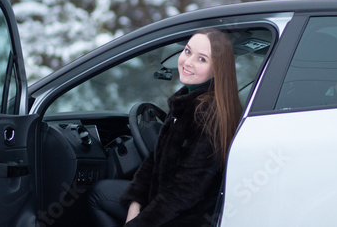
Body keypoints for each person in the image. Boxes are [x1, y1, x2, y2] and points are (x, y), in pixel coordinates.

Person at [88, 28, 242, 226]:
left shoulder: (208, 116)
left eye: (202, 59)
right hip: (165, 200)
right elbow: (154, 158)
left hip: (184, 217)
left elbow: (184, 193)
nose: (188, 62)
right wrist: (135, 201)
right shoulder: (187, 100)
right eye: (187, 51)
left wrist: (138, 223)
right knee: (100, 192)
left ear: (218, 69)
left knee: (98, 198)